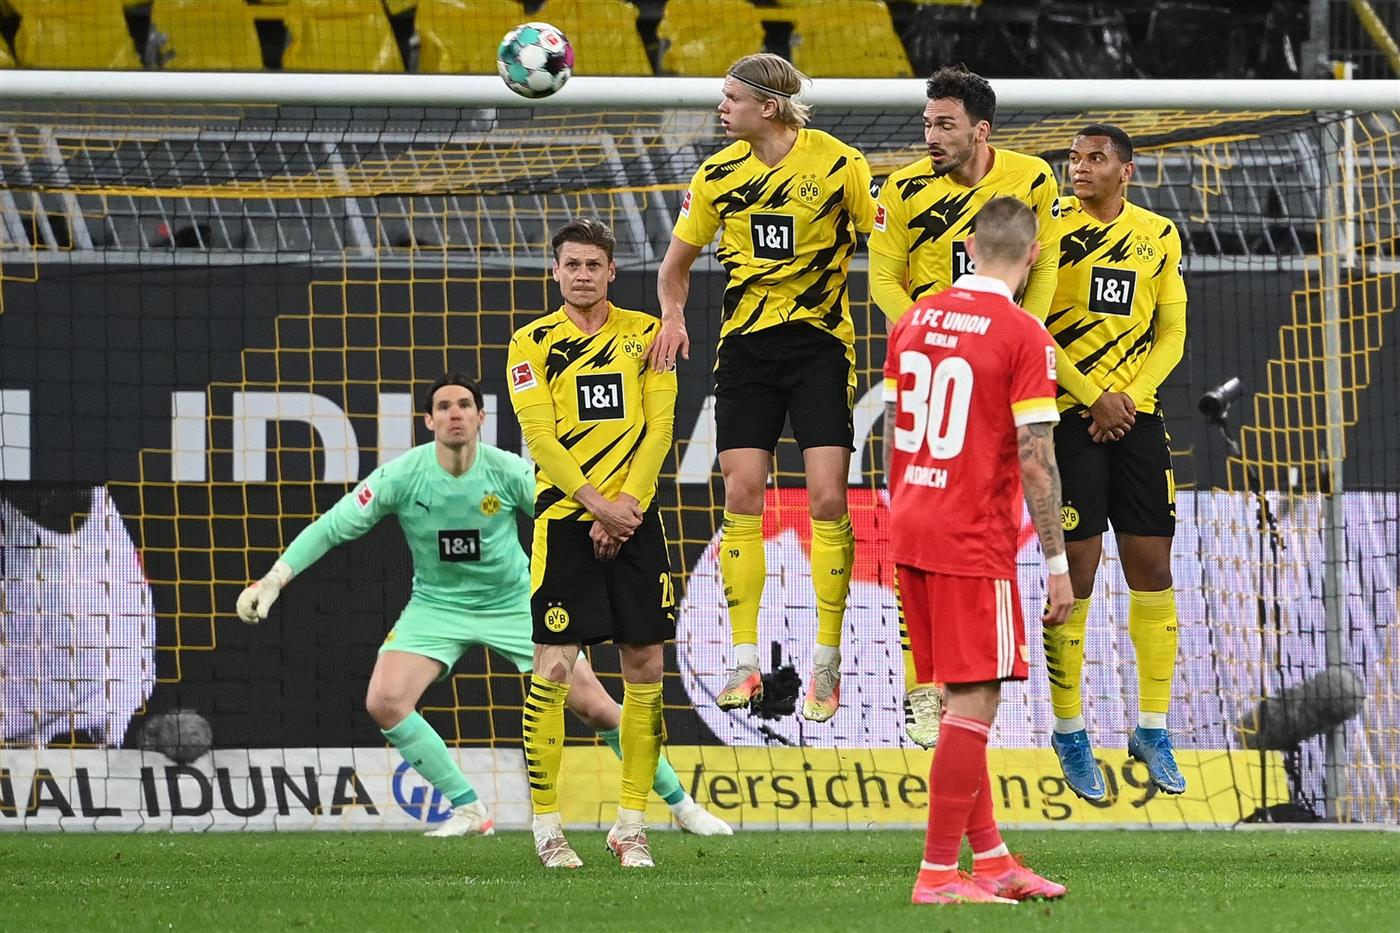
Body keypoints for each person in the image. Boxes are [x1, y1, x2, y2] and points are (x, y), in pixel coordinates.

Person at [235, 372, 729, 844]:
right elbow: (332, 526)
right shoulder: (402, 477)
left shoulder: (509, 471)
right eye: (444, 407)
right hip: (436, 605)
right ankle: (469, 808)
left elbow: (567, 522)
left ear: (480, 416)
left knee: (598, 709)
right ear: (428, 421)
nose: (455, 415)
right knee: (384, 701)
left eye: (464, 405)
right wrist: (274, 580)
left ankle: (682, 805)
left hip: (514, 603)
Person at [648, 53, 876, 722]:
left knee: (829, 499)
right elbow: (675, 266)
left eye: (731, 99)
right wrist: (671, 314)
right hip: (746, 351)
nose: (721, 109)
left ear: (767, 108)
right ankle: (745, 661)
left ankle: (826, 663)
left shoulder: (839, 164)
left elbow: (883, 243)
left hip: (819, 348)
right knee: (743, 493)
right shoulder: (717, 174)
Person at [868, 64, 1064, 749]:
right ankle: (926, 691)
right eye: (927, 122)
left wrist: (1009, 331)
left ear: (981, 129)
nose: (930, 135)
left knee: (926, 522)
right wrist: (934, 327)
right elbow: (882, 276)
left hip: (988, 348)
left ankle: (975, 837)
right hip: (935, 354)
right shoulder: (902, 188)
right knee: (955, 529)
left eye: (944, 123)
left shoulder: (1032, 177)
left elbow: (1046, 268)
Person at [884, 197, 1072, 905]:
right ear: (1030, 257)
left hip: (911, 524)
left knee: (960, 696)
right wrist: (1056, 563)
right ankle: (937, 874)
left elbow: (904, 422)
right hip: (972, 536)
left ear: (966, 245)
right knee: (977, 698)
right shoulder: (1025, 335)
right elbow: (1036, 456)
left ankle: (990, 859)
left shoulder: (914, 318)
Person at [508, 217, 683, 870]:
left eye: (593, 264)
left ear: (612, 271)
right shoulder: (531, 343)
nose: (582, 274)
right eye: (571, 264)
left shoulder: (647, 333)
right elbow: (541, 439)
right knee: (552, 670)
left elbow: (661, 424)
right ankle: (548, 827)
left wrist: (626, 509)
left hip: (635, 522)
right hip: (564, 525)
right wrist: (597, 506)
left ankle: (630, 825)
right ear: (555, 272)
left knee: (645, 669)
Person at [1043, 124, 1189, 800]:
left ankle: (1151, 726)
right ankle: (1070, 729)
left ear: (1125, 171)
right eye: (1074, 158)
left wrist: (1127, 396)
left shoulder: (1159, 236)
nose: (1080, 168)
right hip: (1069, 415)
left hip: (1137, 415)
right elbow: (1032, 327)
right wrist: (1092, 396)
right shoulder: (1050, 229)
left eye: (1094, 159)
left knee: (1153, 565)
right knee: (1075, 572)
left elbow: (1173, 329)